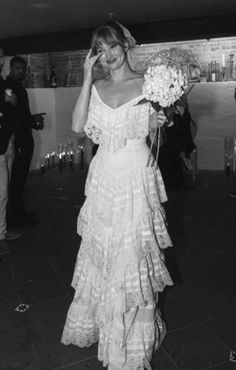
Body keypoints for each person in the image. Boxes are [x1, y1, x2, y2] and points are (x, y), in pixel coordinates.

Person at [61, 22, 173, 369]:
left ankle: (133, 344)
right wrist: (84, 78)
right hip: (104, 177)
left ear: (126, 44)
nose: (107, 56)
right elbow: (78, 127)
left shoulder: (150, 84)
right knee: (104, 252)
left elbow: (159, 139)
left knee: (132, 256)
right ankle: (104, 324)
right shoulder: (96, 86)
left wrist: (159, 123)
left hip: (137, 177)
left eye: (112, 47)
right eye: (100, 49)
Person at [6, 56, 45, 227]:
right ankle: (15, 216)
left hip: (24, 138)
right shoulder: (8, 88)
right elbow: (11, 118)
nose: (20, 71)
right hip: (18, 141)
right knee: (16, 180)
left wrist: (33, 120)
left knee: (20, 179)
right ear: (10, 68)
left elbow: (21, 115)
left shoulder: (19, 88)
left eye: (22, 68)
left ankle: (19, 210)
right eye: (16, 68)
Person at [0, 54, 21, 255]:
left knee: (4, 190)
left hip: (7, 141)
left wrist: (11, 101)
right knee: (1, 192)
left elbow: (10, 108)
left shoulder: (2, 83)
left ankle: (3, 231)